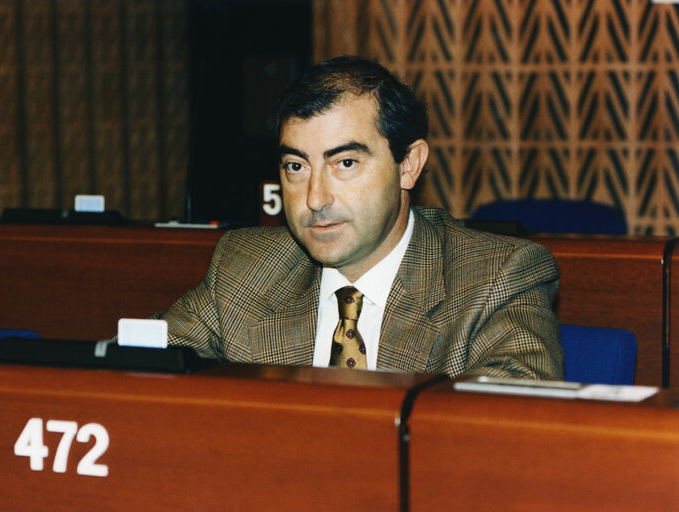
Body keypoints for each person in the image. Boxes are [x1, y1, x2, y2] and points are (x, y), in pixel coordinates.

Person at [156, 55, 563, 379]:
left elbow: (509, 424)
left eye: (345, 162)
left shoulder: (496, 277)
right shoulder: (245, 268)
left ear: (409, 164)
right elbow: (133, 366)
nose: (315, 199)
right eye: (296, 167)